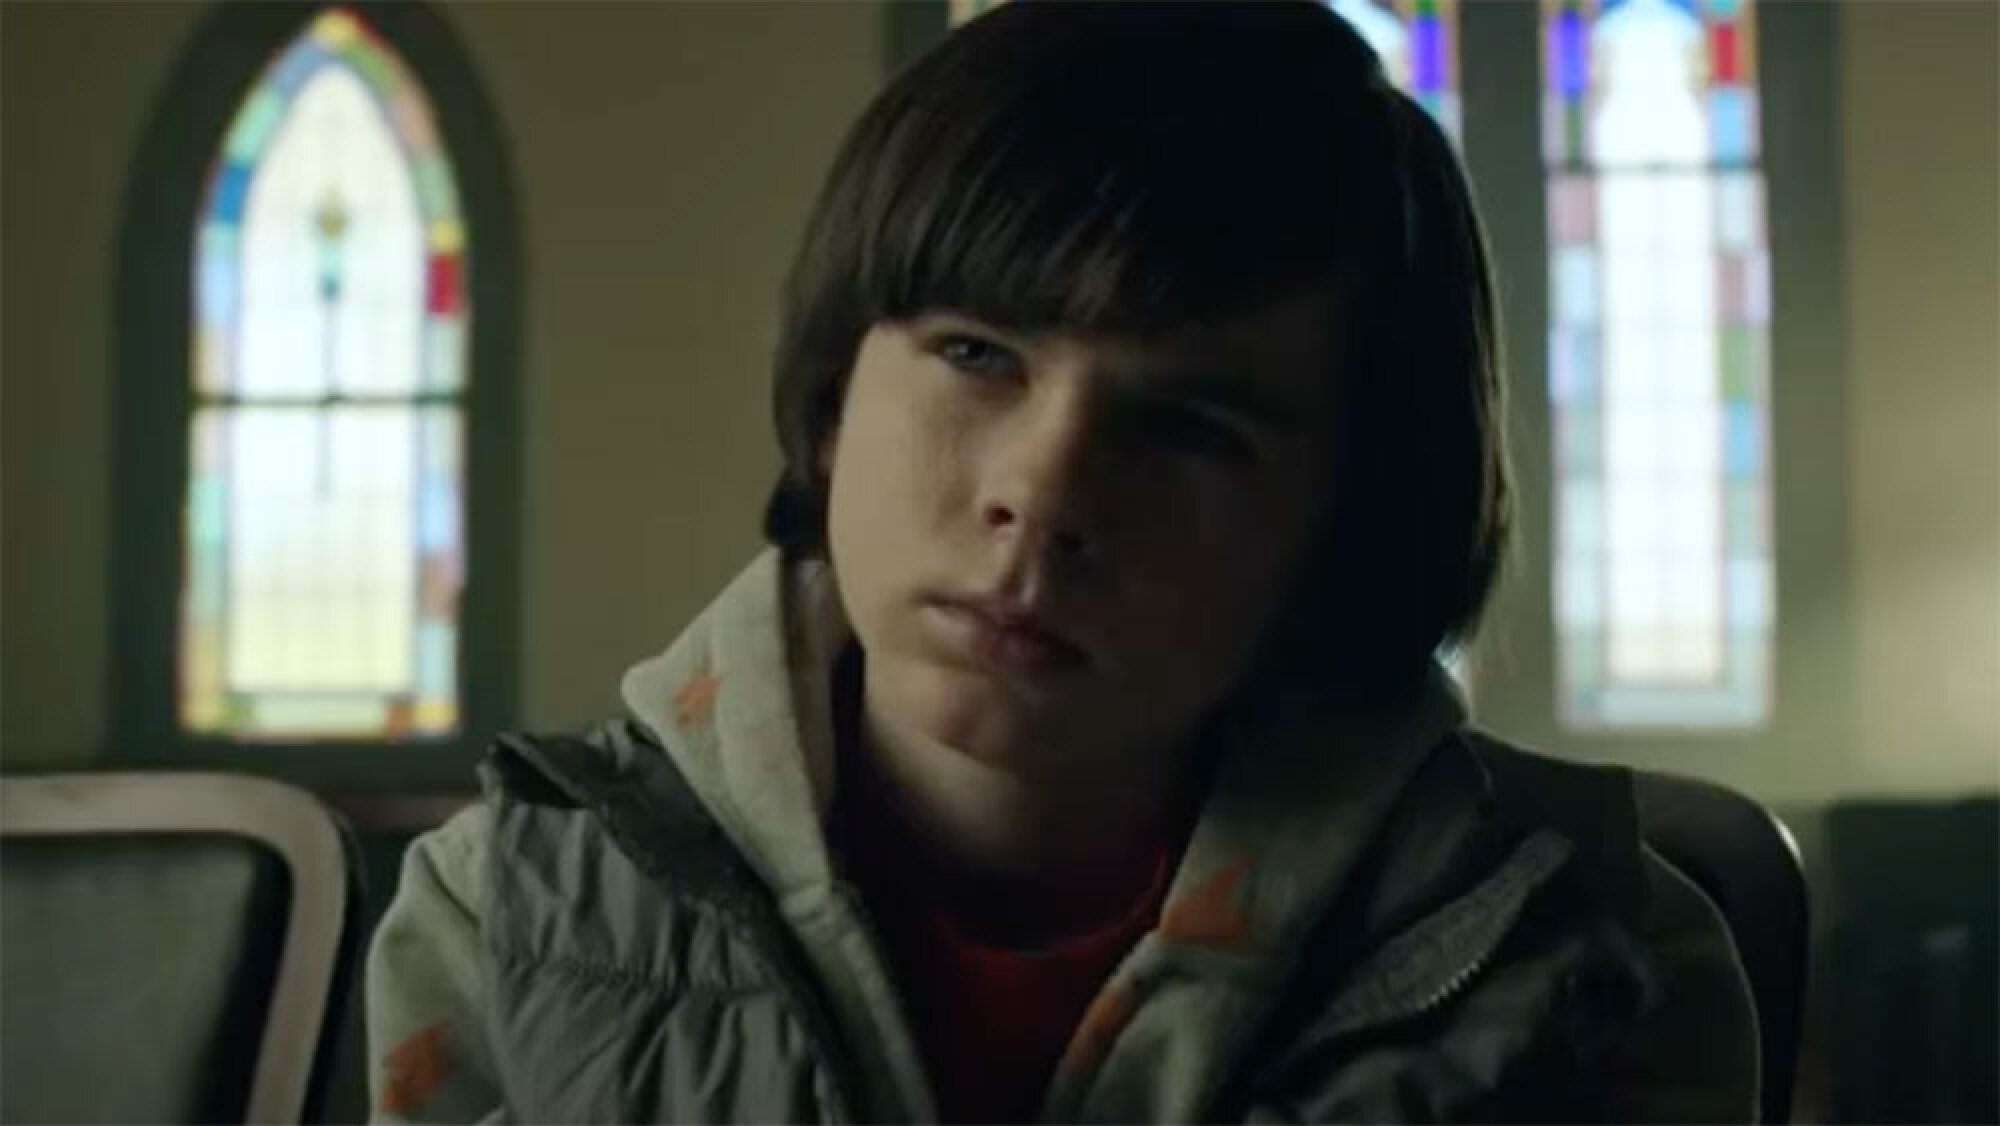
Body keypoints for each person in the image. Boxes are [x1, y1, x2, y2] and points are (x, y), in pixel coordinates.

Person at [364, 2, 1760, 1121]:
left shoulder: (1595, 959)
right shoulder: (509, 910)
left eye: (1191, 426)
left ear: (1342, 518)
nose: (1043, 491)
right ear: (837, 397)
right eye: (979, 354)